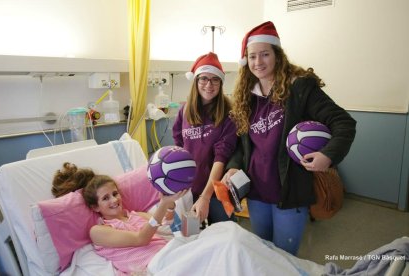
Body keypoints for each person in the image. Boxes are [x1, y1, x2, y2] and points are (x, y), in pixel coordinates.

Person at [223, 21, 356, 256]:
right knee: (262, 253)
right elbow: (243, 146)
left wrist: (327, 155)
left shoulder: (299, 88)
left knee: (284, 259)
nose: (258, 62)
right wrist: (234, 167)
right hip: (256, 194)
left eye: (265, 54)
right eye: (252, 56)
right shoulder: (246, 96)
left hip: (290, 193)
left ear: (277, 55)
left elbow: (343, 123)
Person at [52, 162, 187, 275]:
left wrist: (170, 203)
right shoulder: (98, 231)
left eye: (115, 193)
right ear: (95, 207)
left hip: (170, 254)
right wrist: (163, 205)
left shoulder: (137, 215)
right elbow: (141, 239)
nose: (114, 200)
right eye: (105, 198)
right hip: (154, 267)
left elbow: (165, 223)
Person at [172, 52, 238, 225]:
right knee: (193, 237)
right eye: (204, 79)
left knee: (223, 233)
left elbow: (221, 158)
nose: (209, 85)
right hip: (189, 188)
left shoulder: (228, 115)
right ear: (196, 81)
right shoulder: (185, 111)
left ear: (221, 83)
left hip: (217, 190)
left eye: (215, 79)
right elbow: (179, 146)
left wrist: (205, 197)